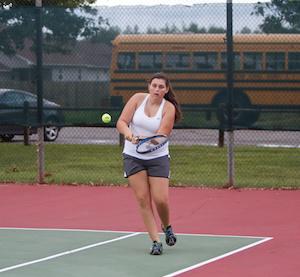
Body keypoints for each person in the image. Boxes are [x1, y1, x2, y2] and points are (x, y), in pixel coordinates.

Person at [116, 72, 182, 255]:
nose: (157, 89)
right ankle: (156, 241)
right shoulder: (137, 99)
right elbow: (121, 122)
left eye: (161, 87)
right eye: (154, 85)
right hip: (132, 156)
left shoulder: (169, 108)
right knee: (143, 199)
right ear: (149, 86)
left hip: (158, 157)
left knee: (161, 199)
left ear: (166, 90)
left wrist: (145, 142)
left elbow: (162, 135)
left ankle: (167, 226)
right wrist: (130, 136)